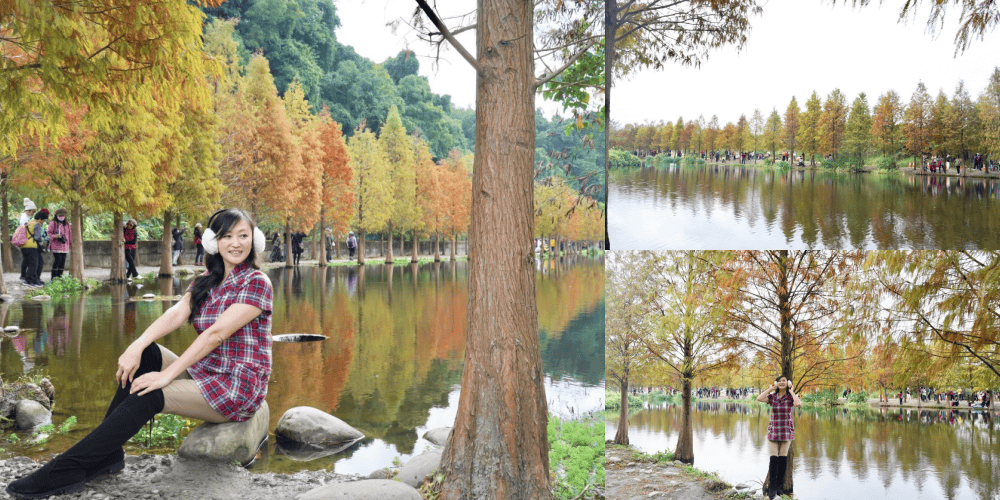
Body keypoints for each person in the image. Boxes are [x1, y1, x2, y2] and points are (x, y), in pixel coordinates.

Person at [6, 208, 273, 499]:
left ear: (254, 240)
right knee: (147, 354)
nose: (236, 243)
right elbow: (175, 314)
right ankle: (108, 454)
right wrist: (137, 344)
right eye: (227, 236)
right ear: (213, 242)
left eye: (243, 236)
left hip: (236, 386)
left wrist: (167, 376)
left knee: (149, 393)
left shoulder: (256, 282)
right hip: (207, 373)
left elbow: (216, 334)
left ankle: (65, 468)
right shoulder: (207, 280)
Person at [757, 375, 802, 499]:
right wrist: (771, 388)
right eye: (779, 381)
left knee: (783, 460)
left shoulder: (790, 397)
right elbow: (759, 398)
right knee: (773, 459)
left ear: (787, 383)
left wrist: (792, 391)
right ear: (777, 383)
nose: (782, 383)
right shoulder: (772, 397)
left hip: (786, 430)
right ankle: (771, 488)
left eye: (784, 381)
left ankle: (778, 488)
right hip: (774, 430)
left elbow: (798, 403)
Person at [22, 209, 50, 288]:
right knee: (34, 264)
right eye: (44, 220)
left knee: (35, 263)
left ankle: (34, 279)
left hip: (24, 246)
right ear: (40, 219)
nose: (44, 221)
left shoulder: (29, 222)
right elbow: (38, 237)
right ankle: (29, 280)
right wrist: (44, 238)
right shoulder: (37, 224)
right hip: (32, 246)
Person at [48, 208, 72, 279]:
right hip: (56, 246)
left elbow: (69, 235)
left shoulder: (67, 224)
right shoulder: (53, 223)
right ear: (56, 215)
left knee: (63, 261)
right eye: (60, 215)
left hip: (65, 246)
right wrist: (55, 236)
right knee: (57, 260)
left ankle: (60, 277)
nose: (61, 217)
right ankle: (53, 278)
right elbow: (48, 234)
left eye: (63, 215)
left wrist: (69, 244)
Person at [18, 198, 37, 282]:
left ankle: (23, 275)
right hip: (25, 241)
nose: (33, 213)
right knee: (28, 260)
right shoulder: (24, 218)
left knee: (25, 260)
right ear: (28, 210)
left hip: (24, 241)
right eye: (33, 211)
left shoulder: (25, 217)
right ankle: (24, 276)